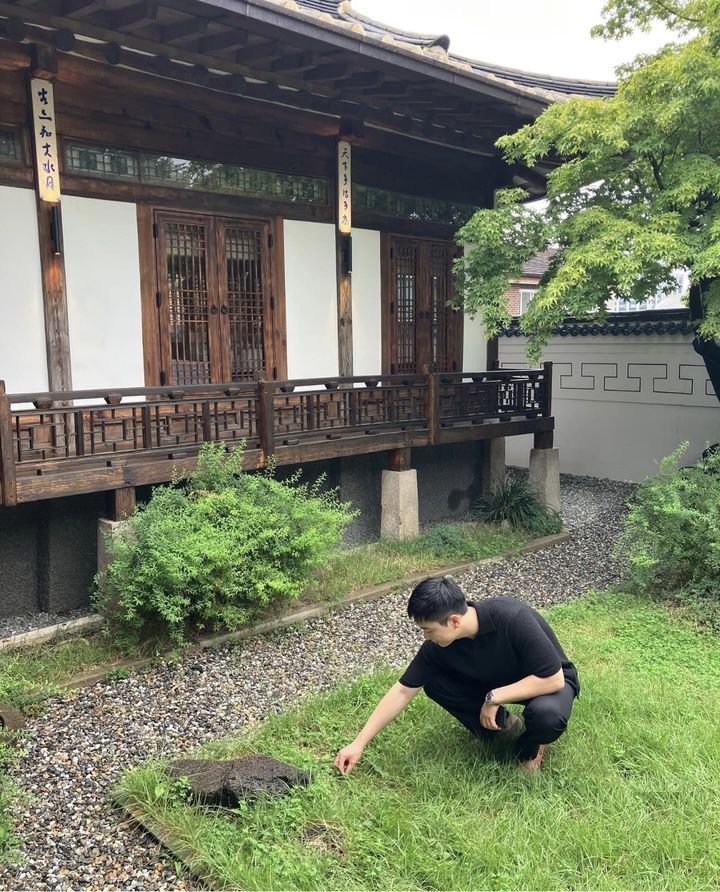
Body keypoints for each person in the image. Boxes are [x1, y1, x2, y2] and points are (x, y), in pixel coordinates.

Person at [334, 576, 579, 774]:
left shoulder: (512, 617)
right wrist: (359, 743)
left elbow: (553, 678)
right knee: (435, 682)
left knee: (546, 716)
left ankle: (530, 747)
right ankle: (503, 727)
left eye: (428, 630)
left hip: (547, 683)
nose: (426, 637)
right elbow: (403, 690)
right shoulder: (438, 646)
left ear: (453, 621)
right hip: (498, 681)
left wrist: (494, 697)